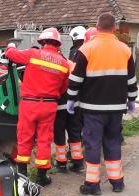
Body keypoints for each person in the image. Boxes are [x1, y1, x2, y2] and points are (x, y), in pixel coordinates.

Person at [67, 13, 138, 195]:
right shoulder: (125, 50)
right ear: (114, 28)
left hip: (92, 109)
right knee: (113, 142)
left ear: (97, 28)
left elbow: (76, 79)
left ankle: (93, 185)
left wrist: (71, 99)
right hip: (116, 109)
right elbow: (131, 80)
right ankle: (117, 182)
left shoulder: (86, 49)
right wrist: (131, 101)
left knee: (92, 144)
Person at [5, 28, 70, 187]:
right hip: (49, 105)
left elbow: (11, 55)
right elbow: (63, 88)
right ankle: (41, 177)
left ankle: (22, 176)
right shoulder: (64, 63)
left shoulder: (33, 54)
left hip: (29, 104)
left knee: (24, 138)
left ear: (42, 42)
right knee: (44, 140)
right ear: (58, 44)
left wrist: (11, 46)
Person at [54, 26, 86, 172]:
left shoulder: (72, 55)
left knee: (60, 133)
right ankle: (77, 162)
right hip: (76, 102)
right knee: (75, 132)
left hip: (60, 105)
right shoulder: (73, 59)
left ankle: (61, 163)